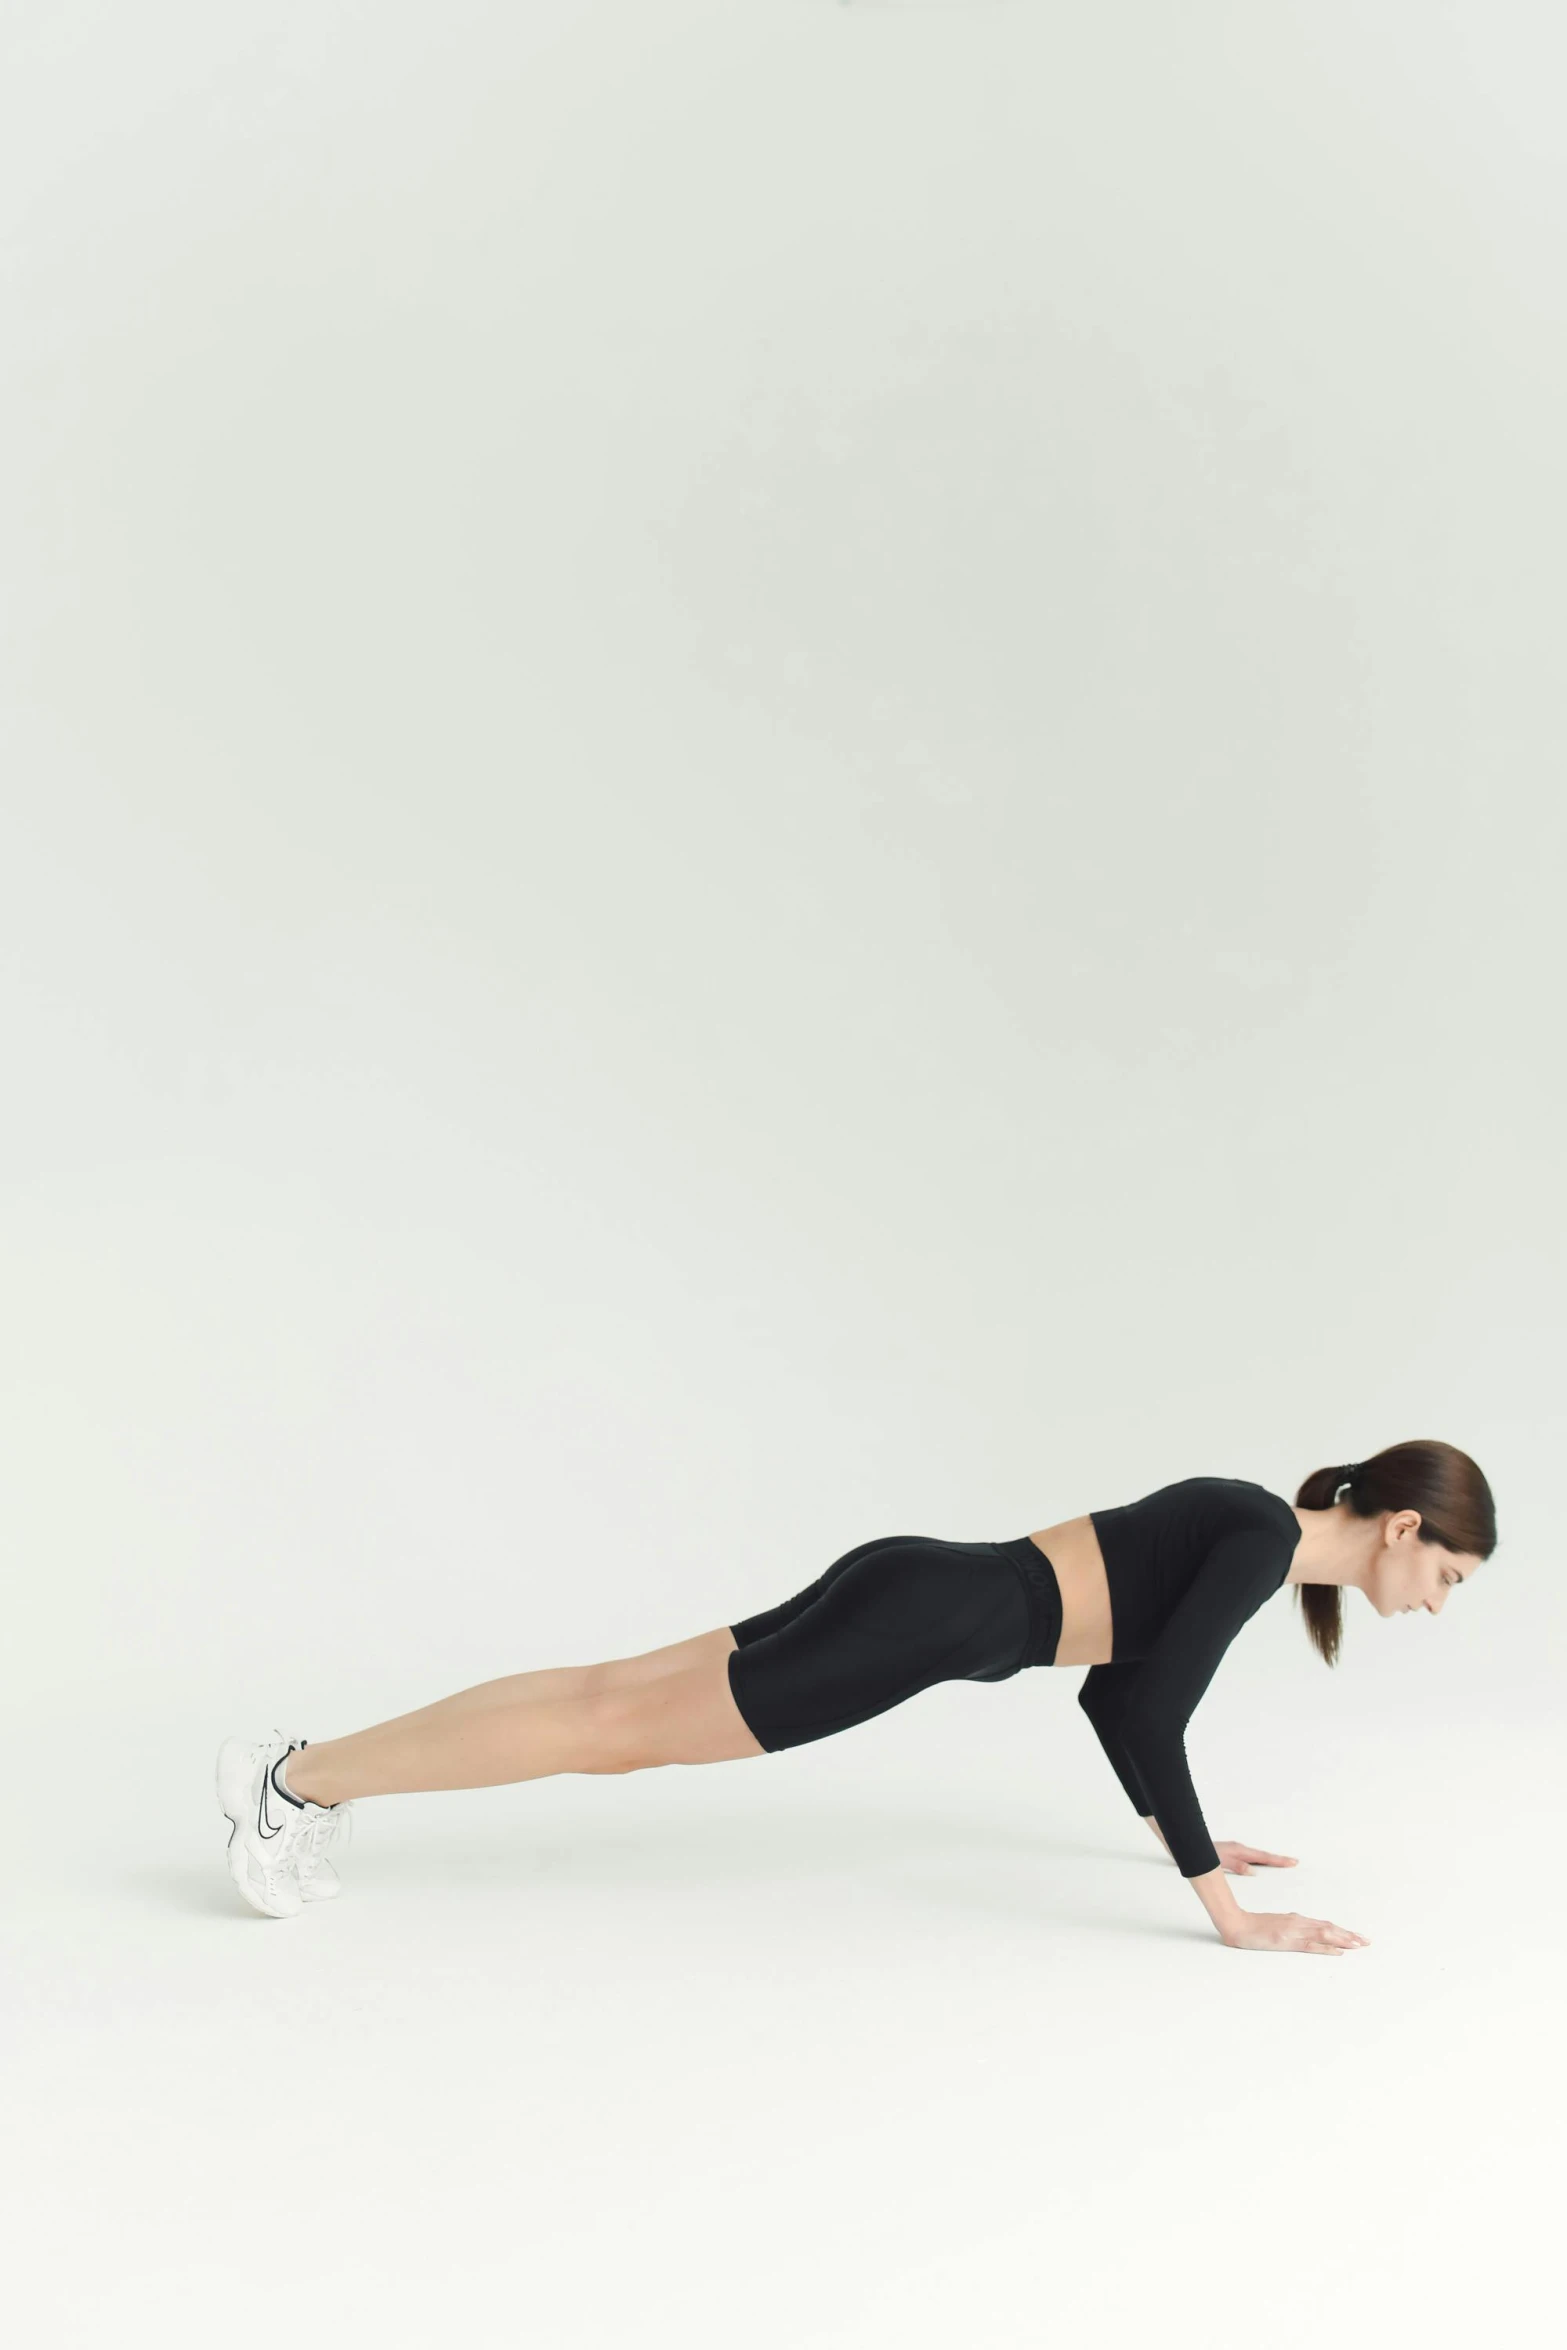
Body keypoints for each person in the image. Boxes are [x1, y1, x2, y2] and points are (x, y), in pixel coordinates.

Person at [216, 1437, 1495, 1954]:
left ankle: (302, 1764)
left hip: (911, 1579)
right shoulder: (1261, 1543)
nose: (1435, 1600)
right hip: (916, 1622)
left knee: (608, 1695)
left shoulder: (1241, 1520)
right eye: (1443, 1572)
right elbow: (1153, 1710)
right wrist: (1225, 1910)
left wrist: (1176, 1831)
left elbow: (1115, 1699)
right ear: (1394, 1528)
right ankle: (292, 1785)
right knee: (611, 1731)